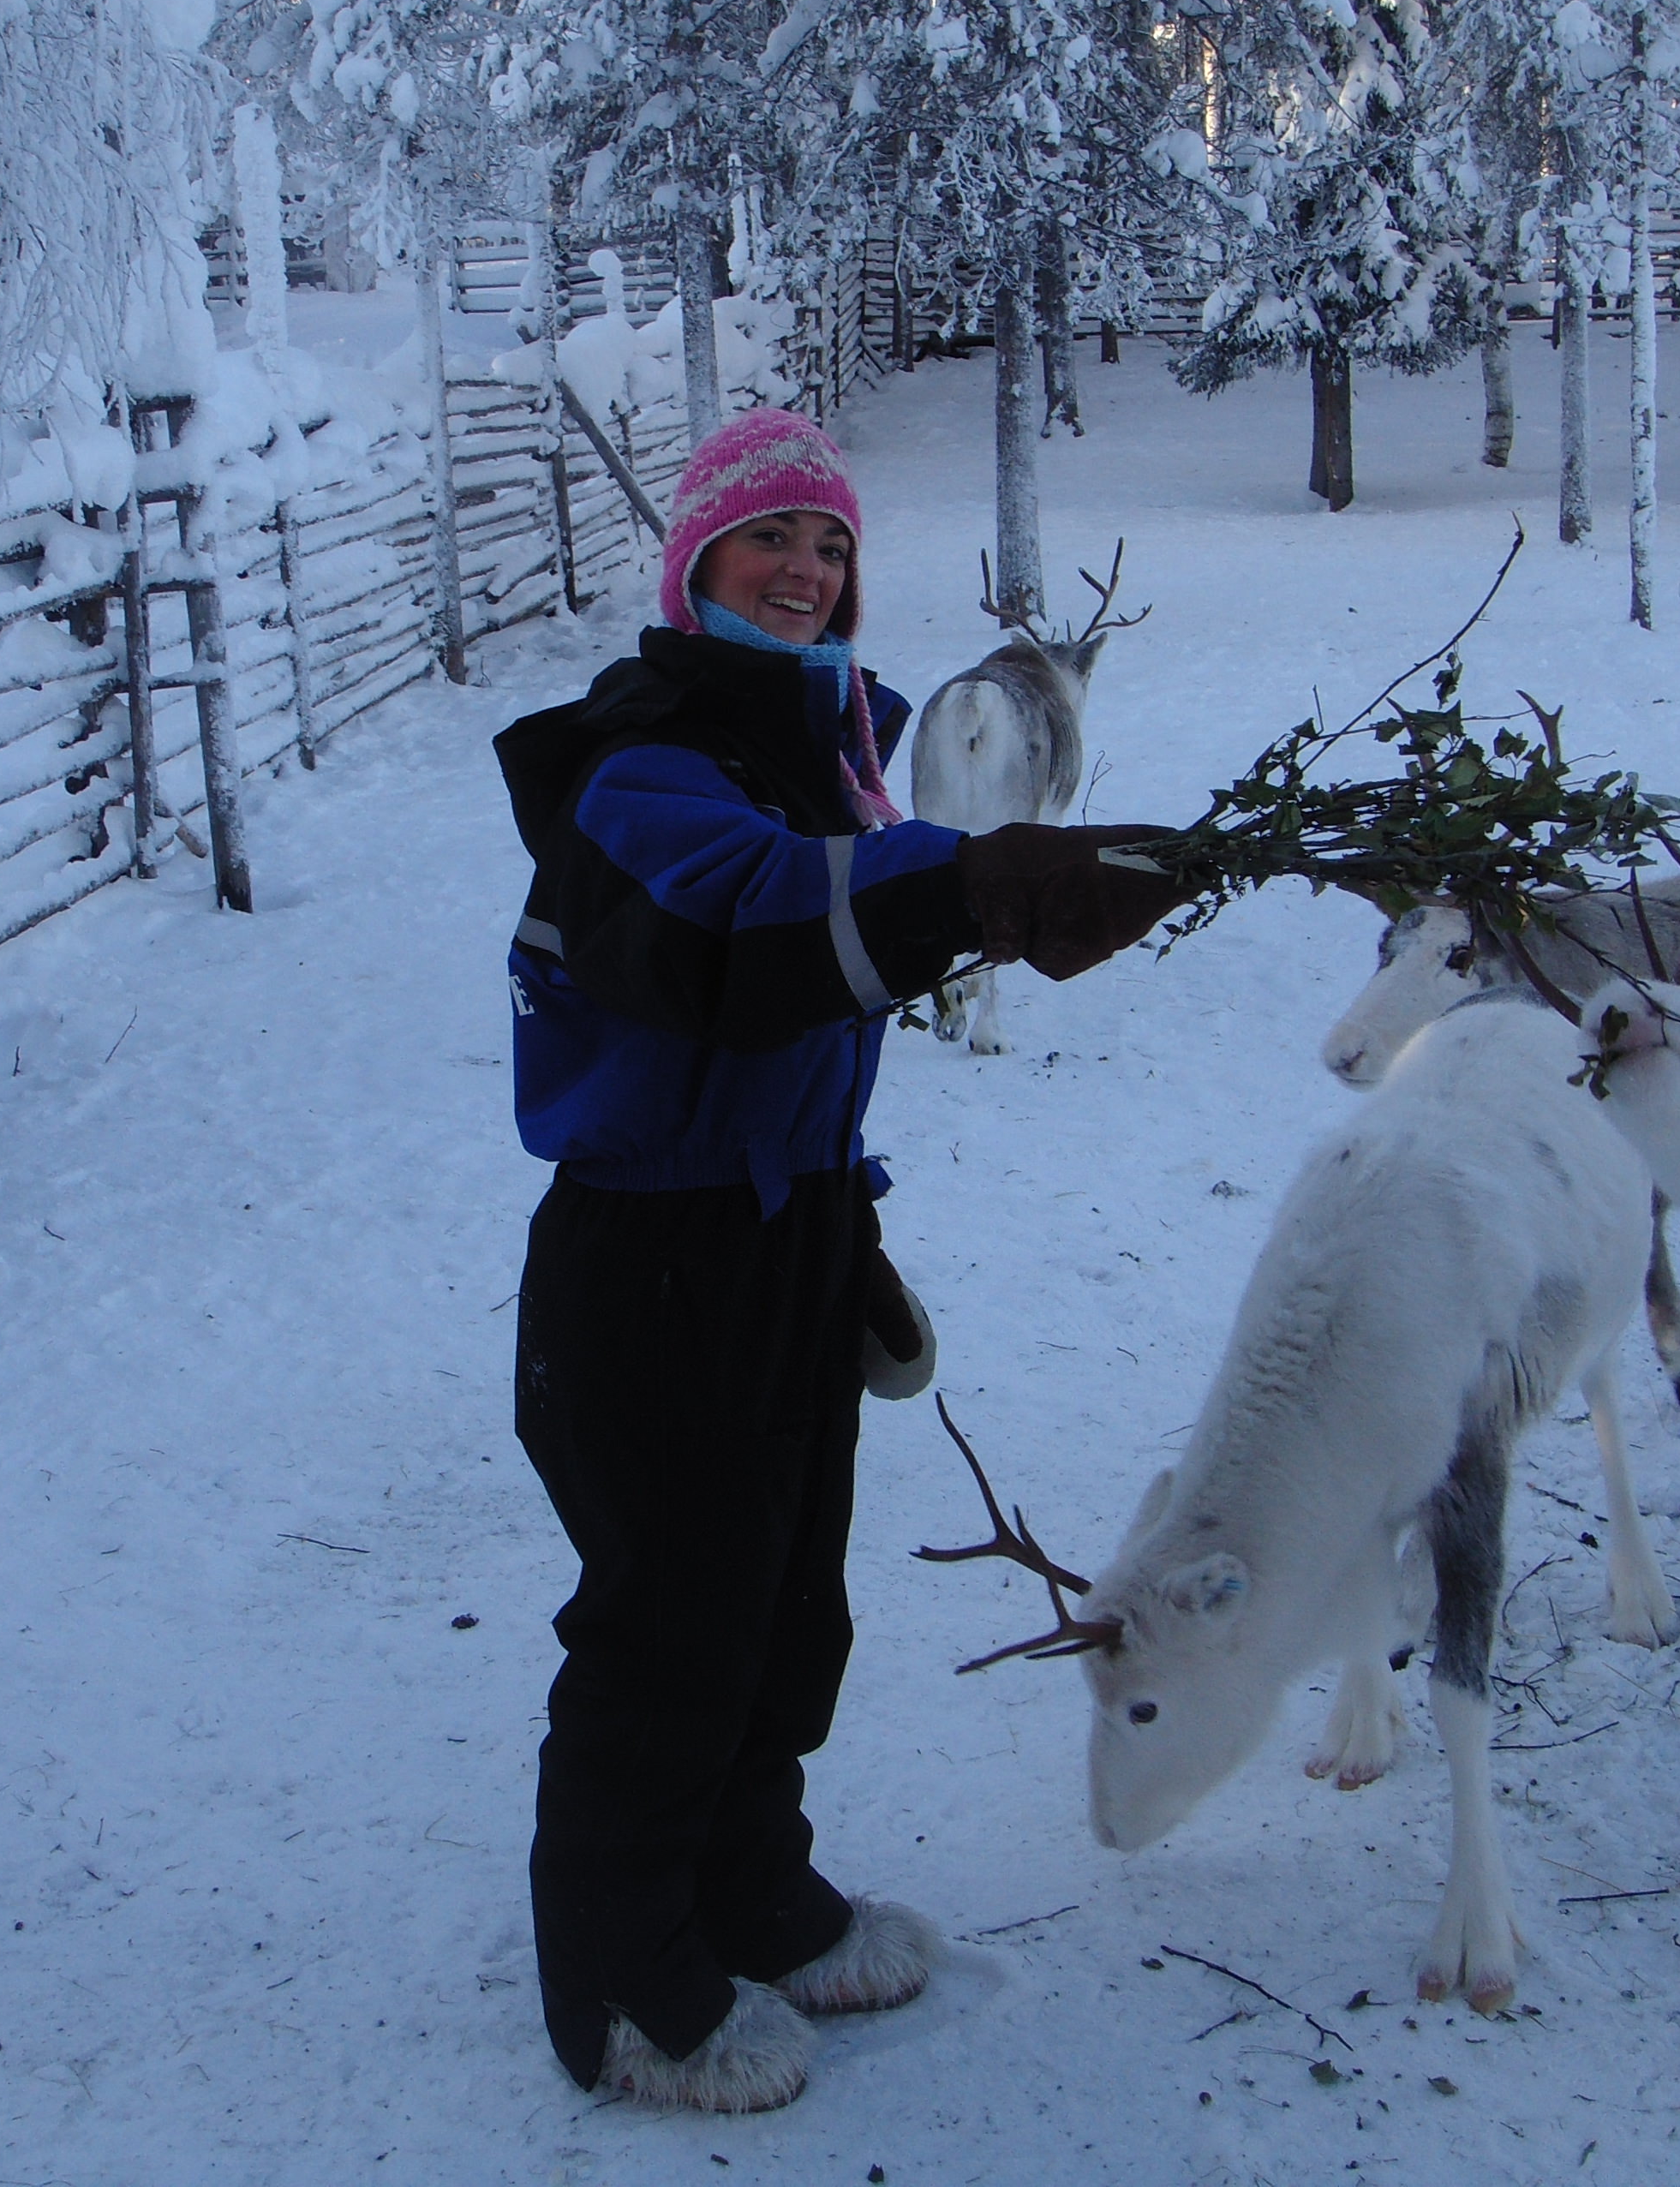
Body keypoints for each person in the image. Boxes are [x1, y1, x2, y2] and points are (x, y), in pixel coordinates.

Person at [494, 407, 1188, 2112]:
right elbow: (745, 932)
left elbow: (824, 945)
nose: (806, 571)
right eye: (768, 540)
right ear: (695, 565)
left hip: (781, 1231)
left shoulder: (825, 751)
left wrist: (835, 1236)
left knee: (782, 1608)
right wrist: (972, 884)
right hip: (654, 1259)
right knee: (669, 1624)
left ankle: (745, 1886)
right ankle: (619, 1986)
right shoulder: (637, 765)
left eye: (830, 546)